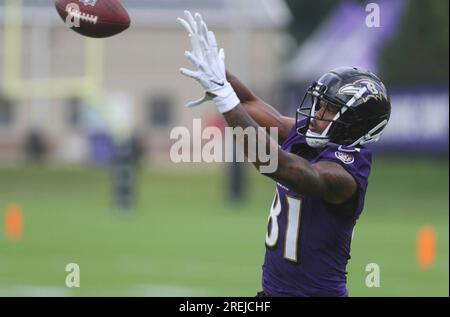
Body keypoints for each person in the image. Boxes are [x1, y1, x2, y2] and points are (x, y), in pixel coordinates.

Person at [177, 11, 391, 297]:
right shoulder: (314, 137)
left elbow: (281, 167)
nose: (317, 113)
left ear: (356, 124)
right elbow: (261, 110)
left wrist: (225, 98)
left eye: (329, 108)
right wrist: (218, 76)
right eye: (319, 103)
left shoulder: (345, 175)